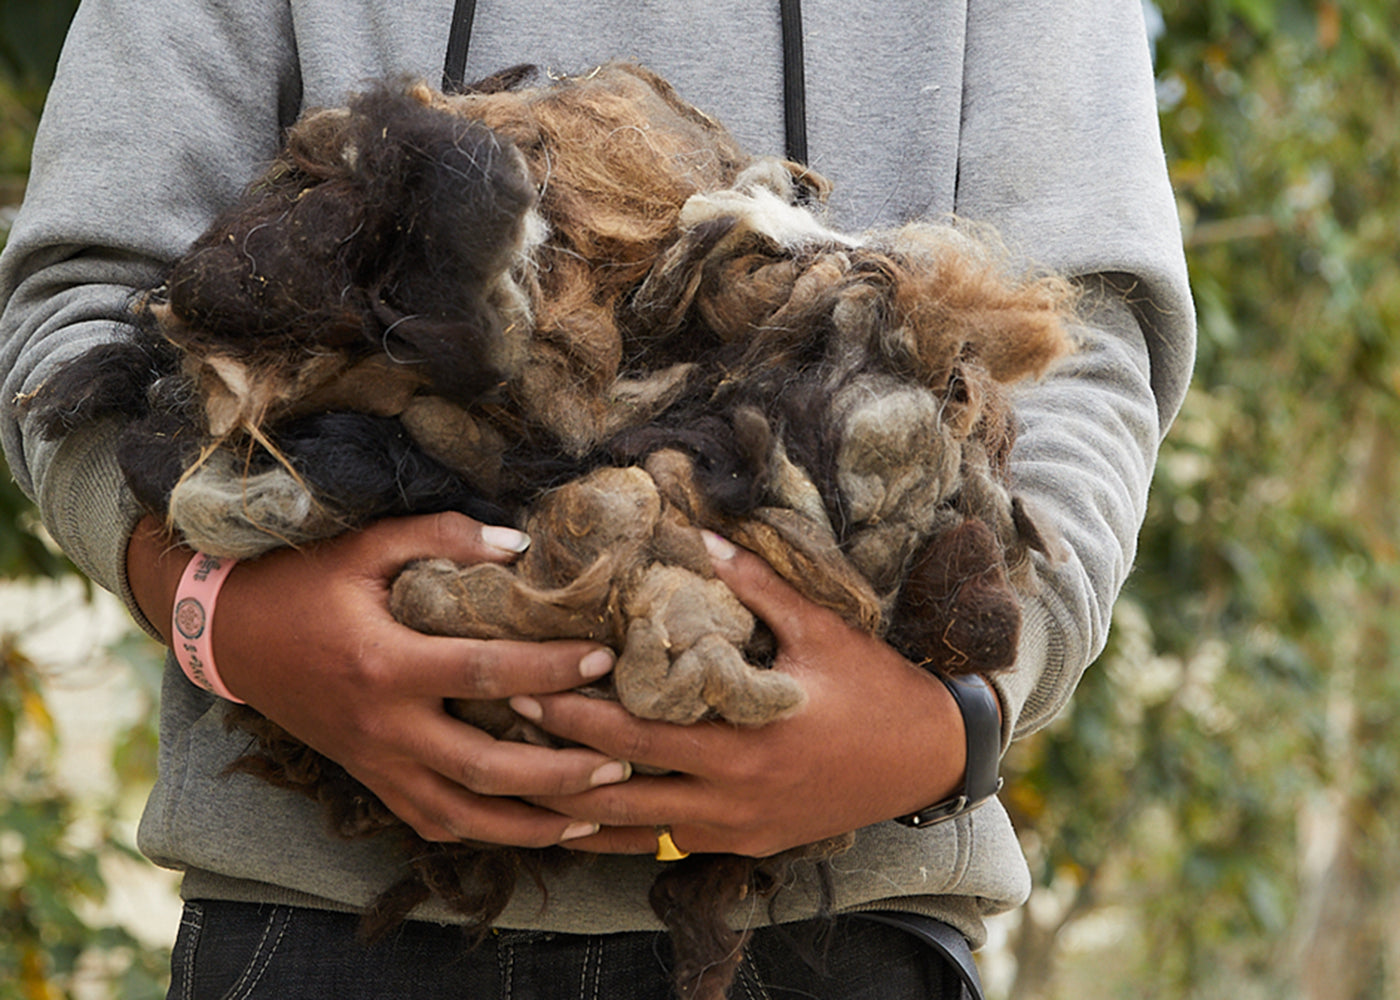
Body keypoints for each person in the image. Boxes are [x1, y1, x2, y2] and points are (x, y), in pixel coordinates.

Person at [0, 1, 1194, 997]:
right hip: (325, 926)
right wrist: (221, 613)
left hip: (843, 927)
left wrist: (954, 725)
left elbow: (1080, 347)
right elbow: (81, 310)